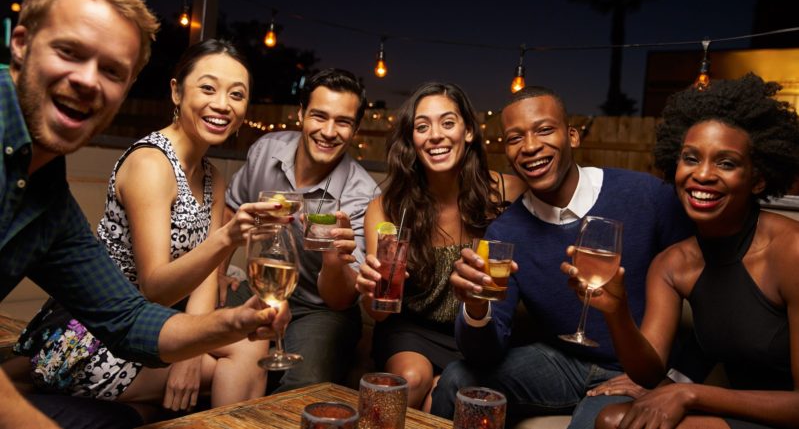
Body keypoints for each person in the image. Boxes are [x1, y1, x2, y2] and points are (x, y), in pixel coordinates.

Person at [0, 0, 286, 427]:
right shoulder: (151, 163)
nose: (87, 80)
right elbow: (152, 288)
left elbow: (129, 318)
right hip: (83, 341)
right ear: (20, 44)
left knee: (243, 345)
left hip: (128, 328)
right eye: (70, 52)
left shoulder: (48, 193)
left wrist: (234, 321)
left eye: (113, 71)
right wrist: (227, 238)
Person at [430, 86, 693, 427]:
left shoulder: (646, 196)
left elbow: (709, 293)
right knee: (456, 379)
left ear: (572, 136)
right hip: (563, 361)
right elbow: (485, 352)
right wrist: (476, 309)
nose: (530, 147)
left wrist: (673, 377)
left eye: (543, 130)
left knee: (589, 423)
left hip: (638, 365)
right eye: (515, 138)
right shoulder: (507, 231)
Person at [580, 73, 799, 429]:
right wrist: (616, 311)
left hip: (787, 414)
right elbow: (648, 372)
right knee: (613, 419)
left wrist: (689, 393)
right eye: (691, 158)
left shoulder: (791, 249)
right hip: (739, 410)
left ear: (757, 179)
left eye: (726, 163)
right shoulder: (672, 264)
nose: (703, 175)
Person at [354, 82, 526, 411]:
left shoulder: (509, 192)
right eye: (422, 126)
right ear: (412, 140)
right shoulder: (387, 208)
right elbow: (379, 310)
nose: (435, 135)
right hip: (410, 331)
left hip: (476, 332)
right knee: (410, 378)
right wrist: (369, 290)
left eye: (448, 122)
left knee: (441, 397)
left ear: (470, 132)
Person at [223, 67, 379, 392]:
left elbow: (339, 300)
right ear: (301, 115)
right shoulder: (266, 150)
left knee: (305, 385)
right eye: (319, 116)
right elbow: (231, 209)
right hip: (261, 287)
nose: (328, 131)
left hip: (320, 309)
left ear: (356, 129)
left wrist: (335, 258)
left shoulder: (361, 193)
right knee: (192, 331)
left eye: (343, 122)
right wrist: (219, 277)